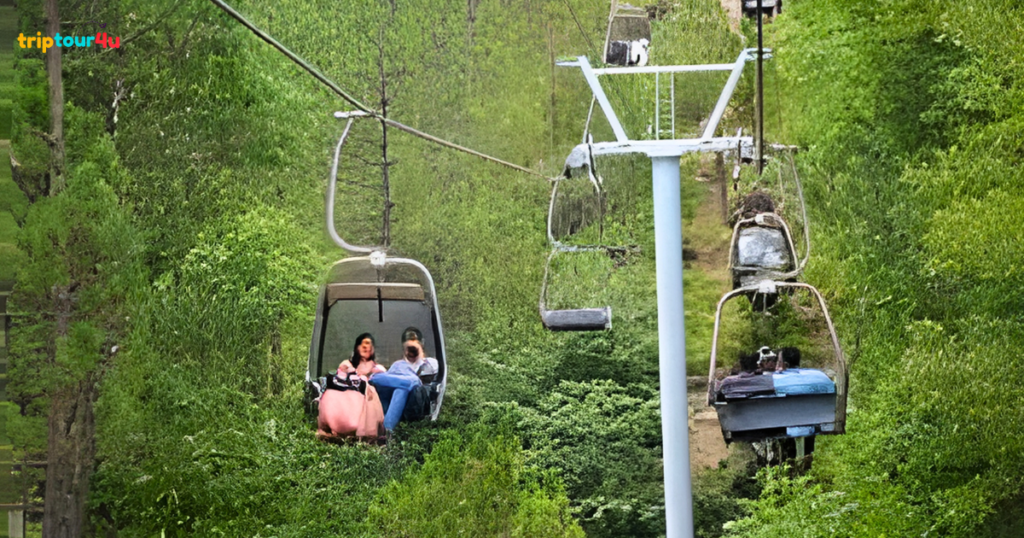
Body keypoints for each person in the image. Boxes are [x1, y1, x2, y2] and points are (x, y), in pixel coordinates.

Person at [317, 333, 386, 442]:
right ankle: (335, 426)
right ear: (357, 347)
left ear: (372, 349)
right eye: (362, 345)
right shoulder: (347, 364)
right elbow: (338, 379)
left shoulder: (377, 368)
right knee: (332, 394)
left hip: (362, 398)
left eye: (368, 345)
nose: (365, 347)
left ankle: (351, 428)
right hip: (343, 396)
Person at [369, 327, 438, 431]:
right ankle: (388, 431)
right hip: (397, 400)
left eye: (414, 347)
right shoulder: (398, 365)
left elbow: (437, 384)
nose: (411, 351)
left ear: (421, 344)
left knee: (403, 385)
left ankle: (375, 378)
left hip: (415, 399)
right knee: (402, 385)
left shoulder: (431, 363)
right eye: (408, 347)